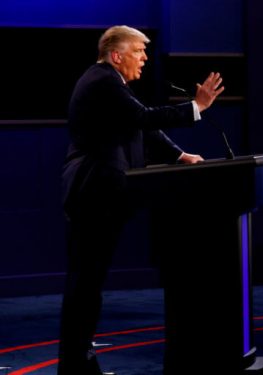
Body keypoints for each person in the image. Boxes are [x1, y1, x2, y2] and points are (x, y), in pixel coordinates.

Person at [58, 25, 225, 375]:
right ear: (117, 55)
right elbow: (143, 118)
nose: (145, 58)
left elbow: (142, 128)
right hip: (93, 191)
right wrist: (196, 106)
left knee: (89, 278)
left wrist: (179, 156)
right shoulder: (103, 81)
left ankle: (78, 355)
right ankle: (74, 361)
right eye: (138, 51)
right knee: (86, 278)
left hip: (100, 192)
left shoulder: (110, 83)